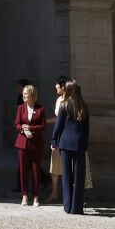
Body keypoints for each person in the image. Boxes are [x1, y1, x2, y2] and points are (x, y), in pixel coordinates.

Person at [51, 79, 89, 214]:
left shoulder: (64, 105)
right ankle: (77, 207)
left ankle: (67, 206)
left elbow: (58, 126)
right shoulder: (84, 107)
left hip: (65, 144)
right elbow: (86, 130)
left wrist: (54, 141)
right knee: (79, 177)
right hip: (79, 144)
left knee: (67, 176)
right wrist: (85, 145)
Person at [14, 83, 48, 205]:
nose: (23, 96)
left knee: (35, 170)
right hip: (22, 143)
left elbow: (43, 126)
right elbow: (17, 123)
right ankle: (24, 195)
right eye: (23, 94)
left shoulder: (40, 109)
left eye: (25, 94)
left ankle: (36, 196)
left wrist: (31, 128)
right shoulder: (20, 108)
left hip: (36, 144)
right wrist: (23, 130)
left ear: (32, 94)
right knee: (23, 170)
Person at [45, 77, 68, 204]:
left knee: (67, 166)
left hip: (65, 136)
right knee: (54, 166)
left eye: (57, 85)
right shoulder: (59, 100)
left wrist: (44, 122)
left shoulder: (70, 100)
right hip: (58, 135)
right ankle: (54, 192)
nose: (55, 86)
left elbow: (61, 119)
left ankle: (68, 194)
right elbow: (58, 118)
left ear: (63, 86)